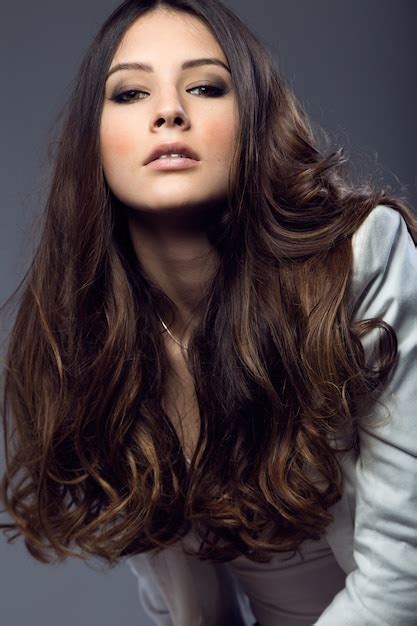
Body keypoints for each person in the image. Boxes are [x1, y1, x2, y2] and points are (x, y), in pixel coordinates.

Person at [1, 1, 416, 625]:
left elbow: (403, 578)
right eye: (131, 93)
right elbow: (190, 605)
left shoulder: (359, 260)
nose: (170, 111)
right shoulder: (94, 335)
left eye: (205, 86)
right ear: (93, 143)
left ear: (252, 122)